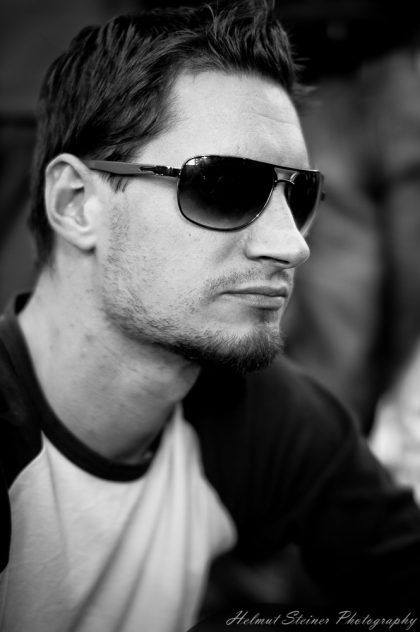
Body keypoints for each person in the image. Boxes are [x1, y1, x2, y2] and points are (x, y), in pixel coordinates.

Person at [0, 2, 420, 631]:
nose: (292, 245)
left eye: (299, 196)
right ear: (76, 202)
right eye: (224, 187)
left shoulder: (254, 411)